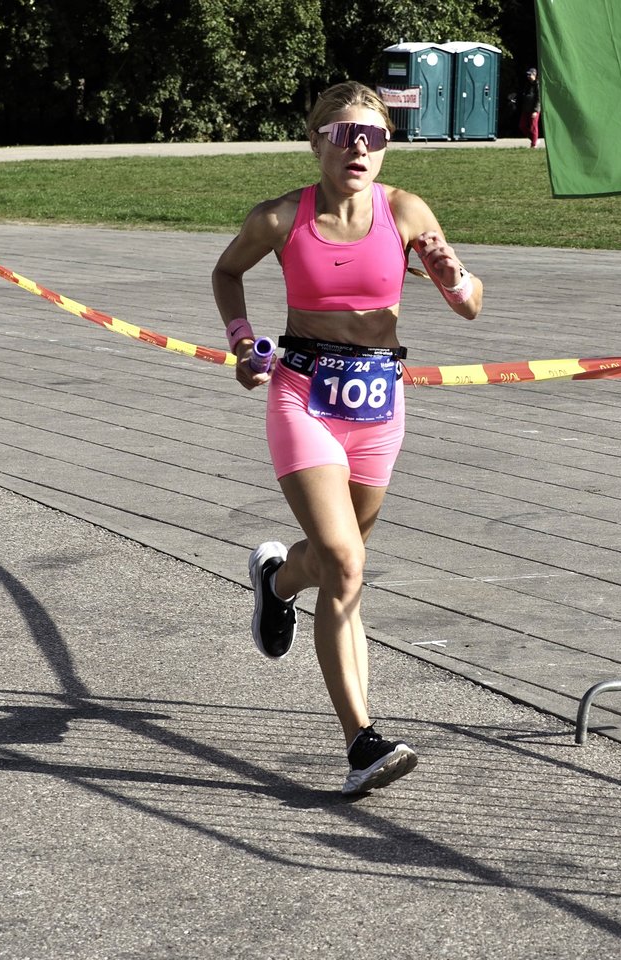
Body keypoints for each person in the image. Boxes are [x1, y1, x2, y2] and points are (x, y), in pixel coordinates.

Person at [211, 81, 484, 795]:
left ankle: (277, 581)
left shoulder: (406, 211)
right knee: (344, 561)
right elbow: (227, 271)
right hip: (302, 396)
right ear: (316, 142)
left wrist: (454, 278)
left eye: (374, 136)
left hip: (378, 405)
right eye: (343, 135)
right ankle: (362, 741)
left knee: (341, 564)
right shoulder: (280, 218)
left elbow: (471, 306)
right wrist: (241, 341)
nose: (359, 148)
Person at [518, 67, 541, 147]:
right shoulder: (527, 84)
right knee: (522, 125)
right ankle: (534, 139)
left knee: (533, 127)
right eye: (527, 75)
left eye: (530, 75)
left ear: (534, 75)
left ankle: (533, 145)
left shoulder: (537, 85)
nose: (528, 76)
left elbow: (539, 99)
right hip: (526, 109)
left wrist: (535, 110)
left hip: (534, 109)